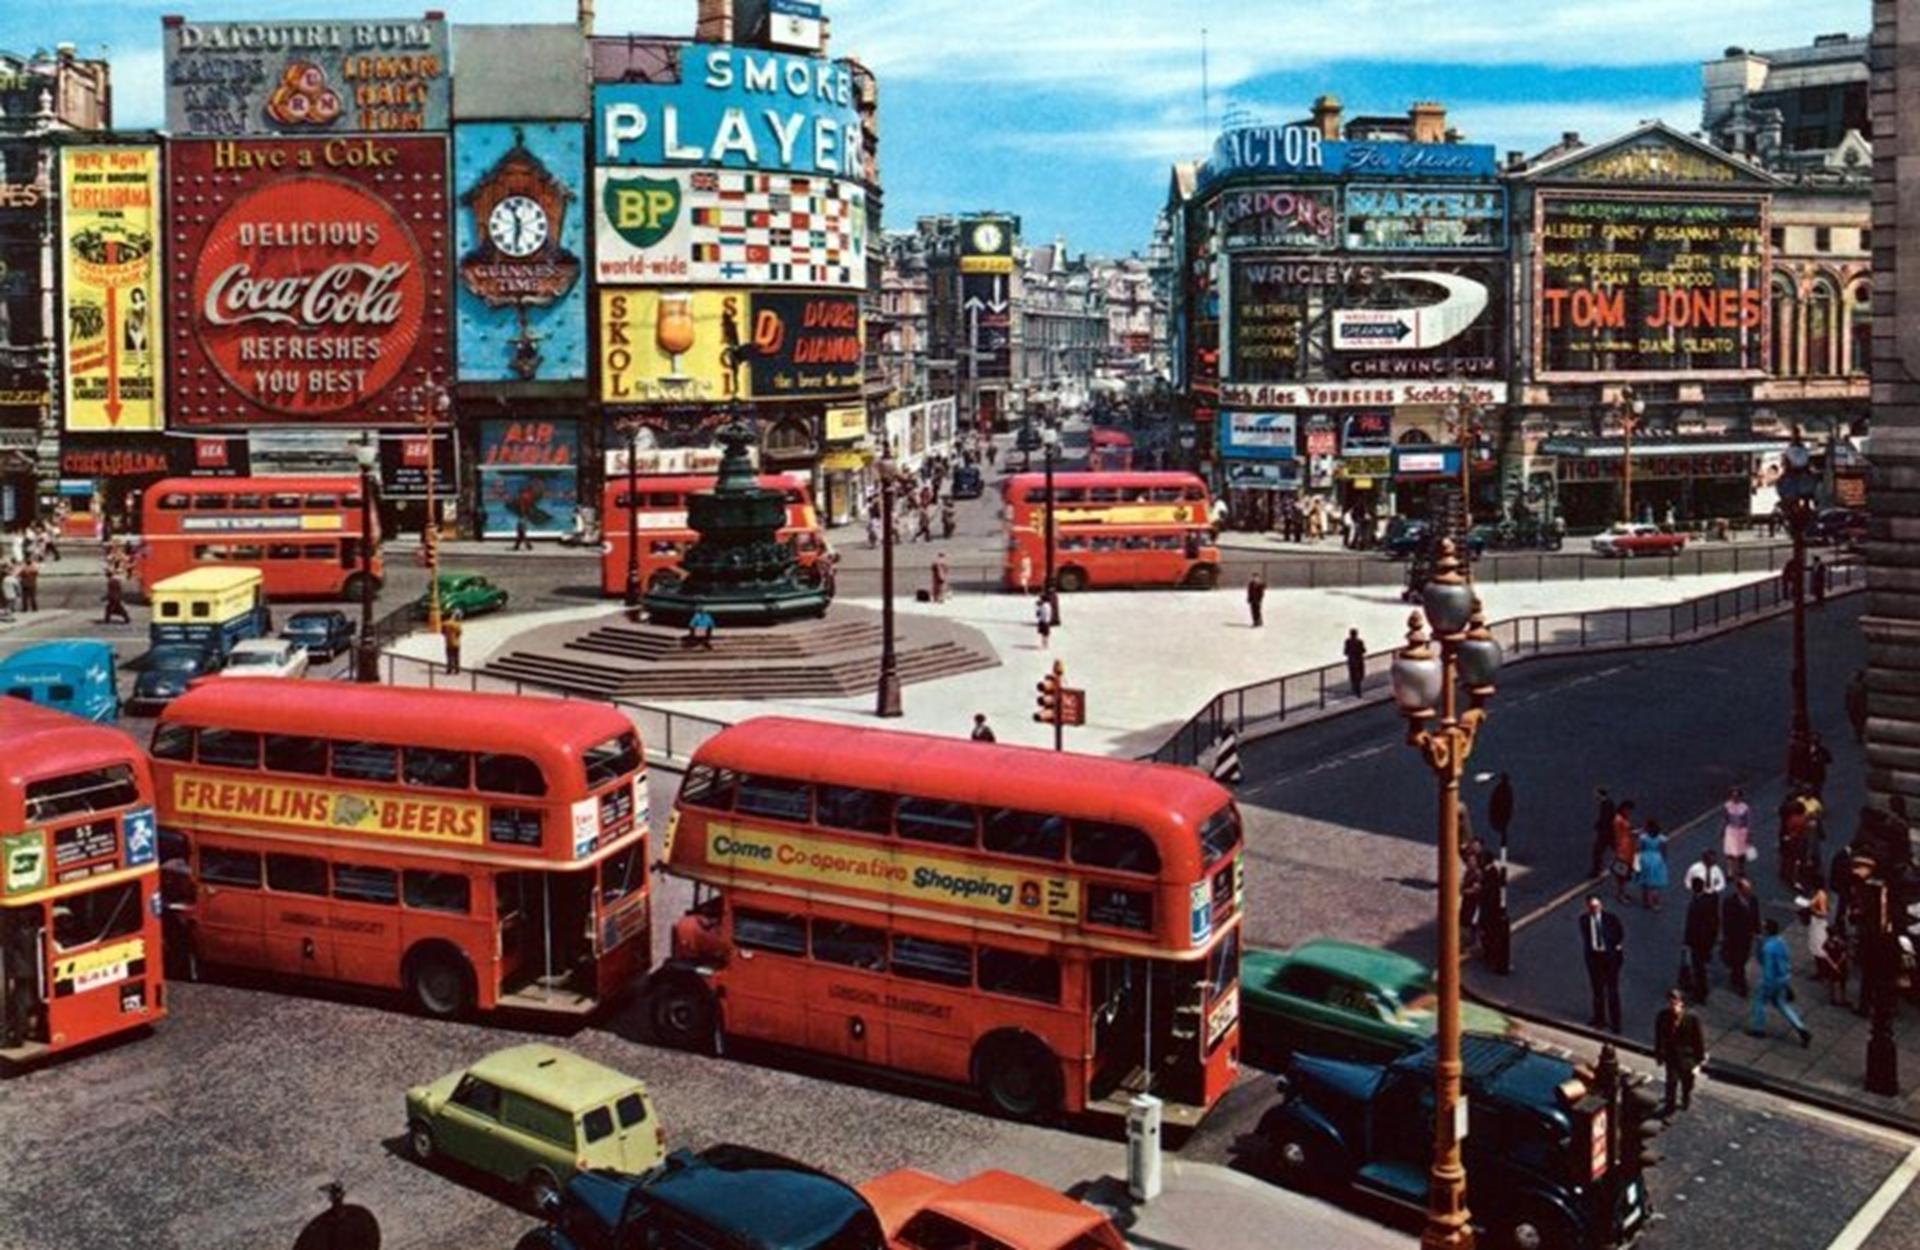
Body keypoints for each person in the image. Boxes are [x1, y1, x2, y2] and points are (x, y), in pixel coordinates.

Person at [1748, 919, 1812, 1047]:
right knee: (1782, 1004)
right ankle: (1801, 1028)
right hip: (1783, 978)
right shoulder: (1781, 942)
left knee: (1759, 1001)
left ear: (1767, 930)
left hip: (1771, 980)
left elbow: (1767, 967)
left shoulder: (1768, 948)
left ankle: (1758, 1028)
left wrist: (1766, 983)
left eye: (1763, 927)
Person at [1653, 988, 1707, 1116]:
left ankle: (1685, 1098)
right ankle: (1669, 1106)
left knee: (1687, 1082)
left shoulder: (1692, 1018)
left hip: (1688, 1058)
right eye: (1670, 1003)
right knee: (1671, 1082)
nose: (1673, 1006)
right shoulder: (1663, 1016)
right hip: (1671, 1056)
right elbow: (1659, 1037)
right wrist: (1659, 1055)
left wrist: (1699, 1058)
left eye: (1675, 1003)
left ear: (1681, 1003)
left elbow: (1698, 1039)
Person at [1578, 895, 1626, 1032]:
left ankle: (1616, 1022)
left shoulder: (1611, 919)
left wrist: (1614, 947)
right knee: (1597, 990)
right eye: (1592, 907)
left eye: (1597, 906)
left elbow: (1620, 934)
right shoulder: (1584, 920)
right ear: (1588, 907)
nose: (1595, 909)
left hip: (1610, 958)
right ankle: (1599, 1019)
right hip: (1594, 958)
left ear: (1601, 905)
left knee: (1612, 991)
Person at [1721, 876, 1761, 997]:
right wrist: (1726, 935)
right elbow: (1726, 920)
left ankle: (1735, 976)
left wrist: (1757, 931)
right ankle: (1742, 984)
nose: (1749, 891)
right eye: (1746, 889)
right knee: (1738, 960)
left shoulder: (1753, 900)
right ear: (1739, 889)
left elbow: (1756, 916)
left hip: (1747, 936)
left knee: (1742, 958)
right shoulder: (1729, 902)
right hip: (1735, 936)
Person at [1683, 876, 1719, 1002]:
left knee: (1698, 967)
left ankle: (1700, 992)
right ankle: (1700, 989)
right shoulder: (1708, 901)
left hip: (1698, 941)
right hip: (1706, 940)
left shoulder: (1697, 904)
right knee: (1701, 966)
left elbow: (1692, 925)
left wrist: (1687, 941)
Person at [1637, 818, 1670, 910]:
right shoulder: (1662, 838)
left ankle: (1646, 902)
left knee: (1645, 882)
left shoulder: (1643, 837)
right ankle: (1656, 904)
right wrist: (1663, 861)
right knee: (1655, 884)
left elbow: (1640, 848)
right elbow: (1664, 851)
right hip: (1656, 859)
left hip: (1645, 858)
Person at [1721, 786, 1752, 881]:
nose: (1735, 798)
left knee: (1741, 853)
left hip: (1741, 831)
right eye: (1733, 796)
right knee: (1729, 853)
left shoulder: (1745, 807)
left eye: (1737, 796)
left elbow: (1748, 821)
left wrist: (1749, 833)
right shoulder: (1727, 806)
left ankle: (1741, 871)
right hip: (1730, 831)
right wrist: (1722, 831)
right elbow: (1724, 819)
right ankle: (1730, 873)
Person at [1611, 800, 1639, 904]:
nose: (1629, 812)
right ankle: (1620, 895)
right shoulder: (1618, 820)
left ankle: (1622, 893)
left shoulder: (1622, 819)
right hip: (1623, 849)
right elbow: (1620, 834)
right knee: (1622, 874)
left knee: (1625, 873)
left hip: (1628, 848)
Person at [1590, 787, 1617, 878]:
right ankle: (1597, 870)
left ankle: (1597, 871)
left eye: (1596, 794)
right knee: (1600, 851)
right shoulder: (1607, 803)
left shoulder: (1607, 804)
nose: (1595, 796)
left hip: (1607, 833)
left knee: (1598, 851)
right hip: (1608, 832)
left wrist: (1600, 825)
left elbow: (1607, 818)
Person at [1847, 669, 1869, 744]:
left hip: (1859, 706)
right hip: (1855, 706)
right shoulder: (1852, 686)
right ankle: (1859, 734)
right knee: (1857, 720)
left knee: (1859, 721)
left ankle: (1860, 735)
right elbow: (1847, 696)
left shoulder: (1862, 687)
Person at [1343, 628, 1366, 698]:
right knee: (1359, 676)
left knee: (1353, 675)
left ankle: (1354, 689)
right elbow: (1364, 650)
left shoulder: (1347, 642)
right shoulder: (1360, 642)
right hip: (1359, 661)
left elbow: (1345, 652)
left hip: (1351, 661)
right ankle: (1358, 691)